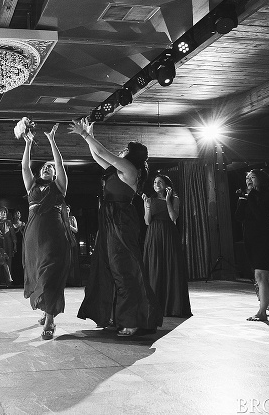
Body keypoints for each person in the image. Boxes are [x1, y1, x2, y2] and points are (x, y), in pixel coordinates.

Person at [70, 118, 161, 337]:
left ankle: (133, 319)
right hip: (109, 220)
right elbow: (97, 155)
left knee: (124, 268)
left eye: (125, 149)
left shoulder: (130, 169)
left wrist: (85, 135)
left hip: (121, 220)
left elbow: (102, 150)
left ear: (132, 155)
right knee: (109, 266)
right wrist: (88, 135)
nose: (121, 151)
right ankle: (115, 315)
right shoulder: (117, 170)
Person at [20, 122, 73, 340]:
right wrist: (28, 144)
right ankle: (46, 310)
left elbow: (59, 163)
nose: (47, 168)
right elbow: (24, 167)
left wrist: (52, 141)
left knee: (51, 275)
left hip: (54, 235)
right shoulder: (32, 186)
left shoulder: (59, 186)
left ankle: (50, 319)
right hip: (33, 237)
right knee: (39, 275)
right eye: (45, 167)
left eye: (50, 167)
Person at [237, 169, 269, 321]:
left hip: (265, 239)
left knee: (260, 275)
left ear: (261, 180)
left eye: (253, 177)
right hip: (251, 239)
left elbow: (260, 216)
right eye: (247, 178)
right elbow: (239, 217)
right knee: (266, 277)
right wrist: (241, 199)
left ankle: (262, 312)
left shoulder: (268, 195)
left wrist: (249, 197)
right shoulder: (248, 196)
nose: (249, 180)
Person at [142, 175, 192, 317]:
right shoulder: (150, 199)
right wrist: (147, 206)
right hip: (153, 234)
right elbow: (147, 221)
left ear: (166, 185)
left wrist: (168, 200)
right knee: (154, 267)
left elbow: (173, 217)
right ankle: (154, 304)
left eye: (160, 182)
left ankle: (172, 306)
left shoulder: (174, 198)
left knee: (171, 267)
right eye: (154, 182)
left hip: (169, 234)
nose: (156, 184)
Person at [10, 209, 26, 287]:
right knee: (15, 262)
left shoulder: (23, 224)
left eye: (18, 213)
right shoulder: (11, 224)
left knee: (22, 261)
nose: (17, 215)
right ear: (13, 215)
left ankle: (22, 279)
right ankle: (15, 280)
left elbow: (25, 234)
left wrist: (21, 230)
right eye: (16, 213)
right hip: (14, 244)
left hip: (22, 244)